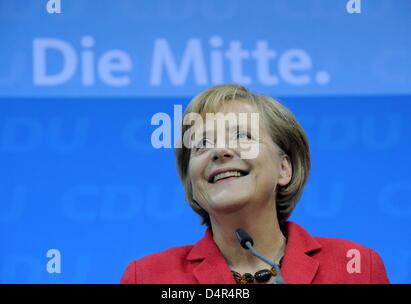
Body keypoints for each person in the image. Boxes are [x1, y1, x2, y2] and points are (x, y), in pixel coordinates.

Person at [121, 84, 389, 284]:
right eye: (202, 144)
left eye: (242, 136)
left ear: (284, 168)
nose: (220, 151)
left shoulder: (356, 267)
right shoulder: (147, 276)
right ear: (192, 183)